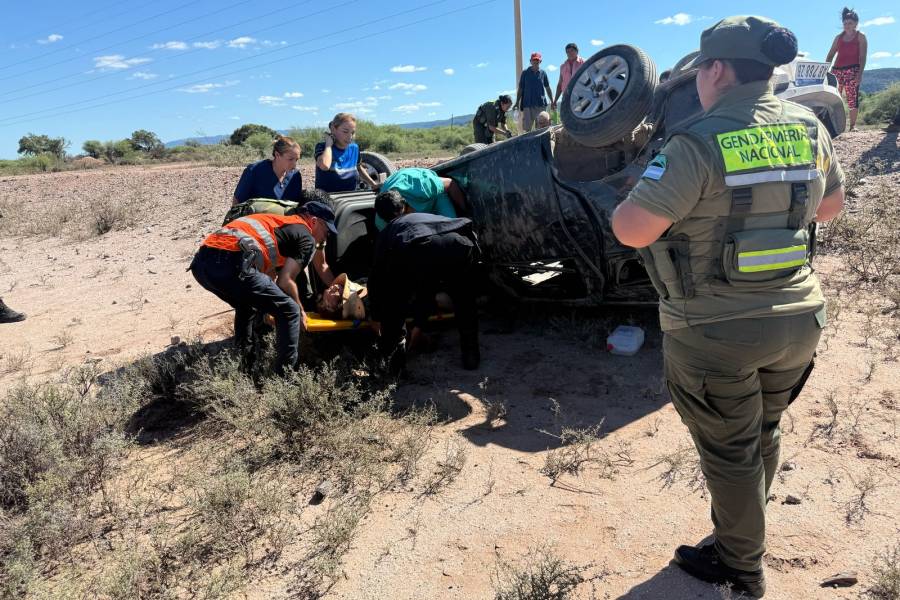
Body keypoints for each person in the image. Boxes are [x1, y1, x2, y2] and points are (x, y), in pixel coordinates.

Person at [610, 16, 845, 597]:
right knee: (762, 429)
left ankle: (741, 565)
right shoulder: (810, 127)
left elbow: (633, 230)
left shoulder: (696, 140)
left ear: (715, 69)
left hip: (715, 330)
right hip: (799, 321)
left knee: (729, 451)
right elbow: (831, 208)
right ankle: (742, 535)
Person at [190, 202, 337, 375]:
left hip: (201, 265)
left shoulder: (280, 225)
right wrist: (300, 309)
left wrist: (268, 305)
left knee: (247, 305)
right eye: (326, 231)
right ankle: (284, 379)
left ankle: (246, 369)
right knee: (289, 310)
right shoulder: (306, 237)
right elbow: (285, 280)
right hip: (232, 261)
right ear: (313, 221)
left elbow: (268, 276)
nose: (325, 238)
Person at [368, 189, 481, 373]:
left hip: (419, 249)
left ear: (380, 215)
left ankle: (395, 365)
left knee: (393, 304)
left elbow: (376, 280)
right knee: (464, 300)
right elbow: (427, 287)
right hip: (461, 242)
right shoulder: (423, 216)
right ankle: (471, 356)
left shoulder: (388, 233)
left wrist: (376, 315)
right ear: (404, 206)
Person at [374, 167, 467, 230]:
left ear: (405, 202)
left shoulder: (423, 187)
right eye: (397, 221)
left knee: (452, 228)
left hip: (434, 197)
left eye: (404, 214)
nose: (405, 220)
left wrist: (466, 212)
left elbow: (450, 183)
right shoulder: (381, 222)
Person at [314, 112, 379, 192]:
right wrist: (328, 145)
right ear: (334, 129)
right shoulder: (322, 147)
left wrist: (373, 184)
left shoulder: (354, 148)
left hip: (349, 197)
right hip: (327, 198)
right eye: (345, 132)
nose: (350, 136)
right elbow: (324, 166)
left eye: (352, 133)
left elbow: (359, 168)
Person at [826, 7, 867, 131]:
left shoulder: (861, 36)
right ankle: (832, 126)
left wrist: (859, 74)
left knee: (852, 98)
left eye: (850, 23)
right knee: (833, 97)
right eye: (845, 23)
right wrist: (824, 71)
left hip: (852, 70)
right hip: (837, 70)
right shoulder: (838, 38)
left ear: (855, 23)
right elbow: (830, 55)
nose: (847, 26)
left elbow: (863, 57)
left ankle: (853, 126)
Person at [232, 135, 303, 206]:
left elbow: (296, 205)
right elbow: (237, 201)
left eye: (296, 159)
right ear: (277, 155)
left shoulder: (295, 176)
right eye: (290, 159)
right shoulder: (254, 171)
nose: (294, 165)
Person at [515, 52, 553, 132]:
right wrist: (517, 102)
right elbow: (521, 88)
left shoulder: (543, 73)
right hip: (527, 104)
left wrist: (552, 101)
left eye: (537, 60)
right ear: (530, 61)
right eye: (534, 60)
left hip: (540, 104)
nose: (535, 61)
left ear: (540, 61)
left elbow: (547, 88)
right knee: (527, 128)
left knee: (542, 127)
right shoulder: (525, 73)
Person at [552, 42, 585, 110]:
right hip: (567, 97)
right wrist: (555, 100)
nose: (570, 53)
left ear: (577, 51)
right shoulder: (563, 67)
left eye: (572, 51)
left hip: (583, 96)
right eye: (568, 52)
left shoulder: (584, 63)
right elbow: (560, 85)